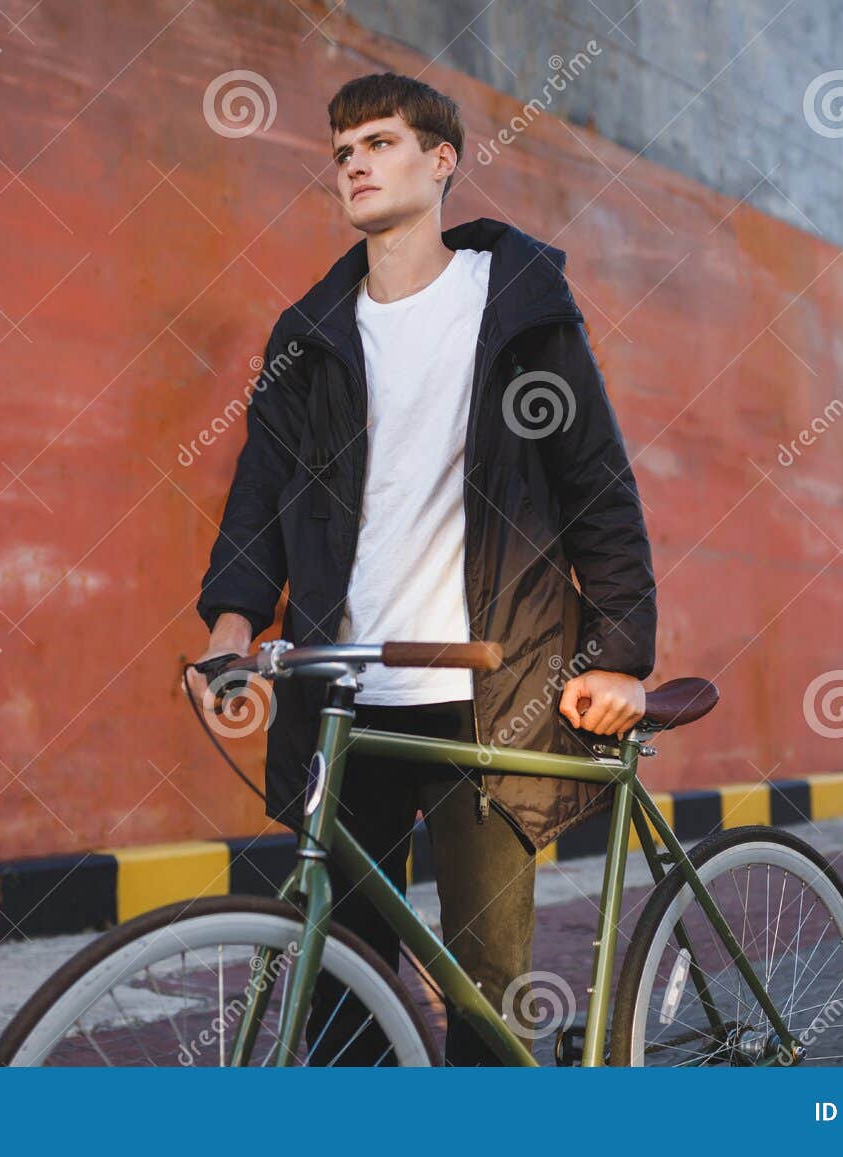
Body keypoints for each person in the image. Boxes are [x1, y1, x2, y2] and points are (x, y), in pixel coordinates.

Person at [189, 72, 657, 1064]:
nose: (353, 161)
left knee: (486, 994)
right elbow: (259, 491)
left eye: (378, 142)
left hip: (493, 691)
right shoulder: (310, 337)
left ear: (441, 161)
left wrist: (619, 655)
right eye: (342, 149)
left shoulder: (518, 309)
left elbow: (595, 489)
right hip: (346, 689)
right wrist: (231, 626)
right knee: (343, 983)